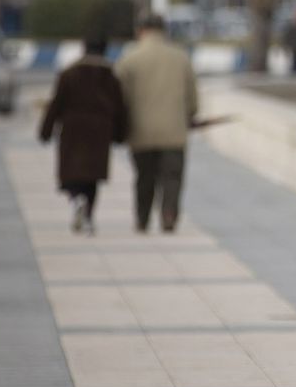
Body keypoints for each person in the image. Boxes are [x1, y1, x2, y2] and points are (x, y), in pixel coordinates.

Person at [114, 12, 198, 234]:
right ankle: (169, 214)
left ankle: (142, 219)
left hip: (141, 132)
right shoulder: (180, 57)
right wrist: (190, 115)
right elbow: (192, 96)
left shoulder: (129, 59)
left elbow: (119, 96)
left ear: (140, 31)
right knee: (172, 177)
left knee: (144, 178)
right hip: (174, 131)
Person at [38, 34, 128, 234]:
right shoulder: (111, 77)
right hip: (99, 132)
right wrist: (121, 134)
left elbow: (56, 104)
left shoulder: (69, 74)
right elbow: (120, 108)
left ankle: (76, 199)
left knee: (72, 174)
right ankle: (88, 215)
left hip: (72, 131)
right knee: (92, 177)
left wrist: (45, 130)